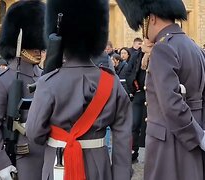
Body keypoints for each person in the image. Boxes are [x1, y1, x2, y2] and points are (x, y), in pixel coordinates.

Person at [26, 0, 132, 180]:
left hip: (58, 164)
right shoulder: (111, 82)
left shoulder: (48, 82)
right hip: (99, 166)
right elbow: (123, 137)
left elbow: (34, 132)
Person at [116, 0, 205, 179]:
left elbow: (171, 104)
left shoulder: (163, 49)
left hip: (170, 145)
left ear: (152, 18)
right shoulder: (195, 47)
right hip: (195, 137)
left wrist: (197, 136)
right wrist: (200, 134)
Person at [0, 1, 46, 179]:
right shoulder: (4, 79)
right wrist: (0, 161)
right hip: (23, 155)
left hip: (51, 154)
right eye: (33, 47)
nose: (38, 51)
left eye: (40, 46)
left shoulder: (45, 76)